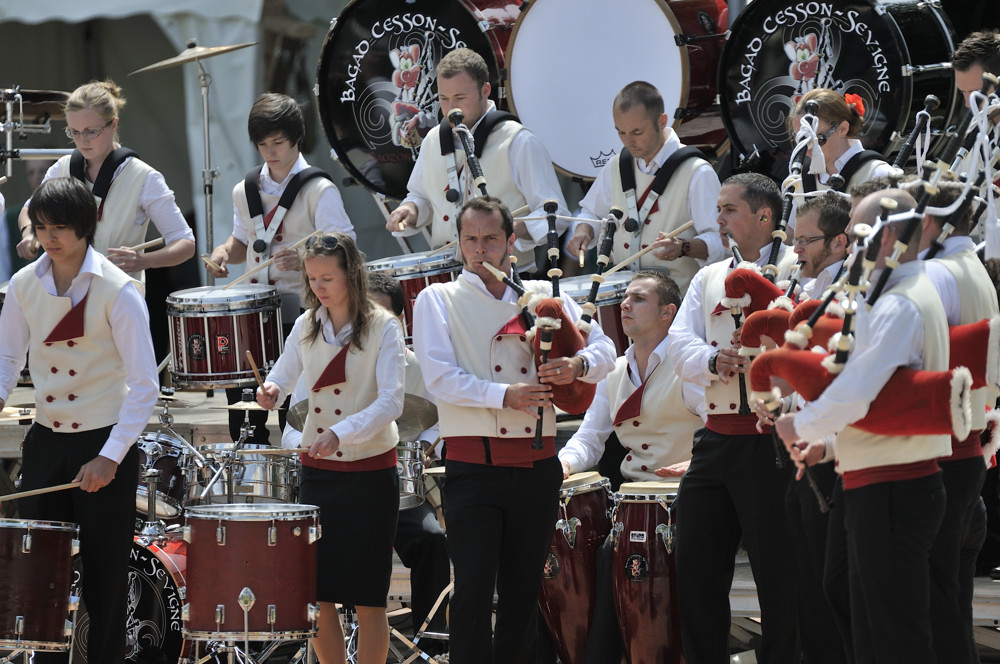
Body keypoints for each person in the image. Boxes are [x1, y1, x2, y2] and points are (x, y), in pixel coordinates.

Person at [411, 196, 615, 662]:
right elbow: (439, 377)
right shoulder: (437, 298)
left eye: (490, 239)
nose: (479, 249)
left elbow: (605, 349)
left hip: (537, 465)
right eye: (470, 239)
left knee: (524, 593)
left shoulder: (544, 293)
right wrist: (505, 396)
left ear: (510, 243)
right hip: (473, 468)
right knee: (473, 590)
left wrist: (576, 365)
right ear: (458, 243)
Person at [776, 189, 951, 663]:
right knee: (870, 623)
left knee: (894, 635)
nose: (851, 247)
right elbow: (882, 398)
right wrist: (828, 444)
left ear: (888, 235)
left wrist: (802, 425)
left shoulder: (901, 302)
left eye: (858, 235)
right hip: (880, 479)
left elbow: (858, 389)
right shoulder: (897, 296)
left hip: (895, 485)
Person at [0, 177, 159, 663]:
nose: (49, 238)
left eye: (60, 227)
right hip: (46, 442)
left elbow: (145, 385)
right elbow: (7, 360)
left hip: (103, 442)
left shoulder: (119, 289)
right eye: (42, 227)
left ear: (85, 227)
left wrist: (110, 457)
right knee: (39, 573)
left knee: (106, 578)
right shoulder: (23, 284)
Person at [666, 172, 800, 663]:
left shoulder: (797, 267)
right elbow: (677, 342)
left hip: (772, 442)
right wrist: (712, 359)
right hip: (715, 438)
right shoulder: (708, 276)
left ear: (764, 215)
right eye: (718, 209)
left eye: (729, 210)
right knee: (696, 567)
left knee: (779, 574)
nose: (718, 220)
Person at [281, 271, 452, 657]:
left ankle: (433, 644)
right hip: (330, 479)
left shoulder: (418, 366)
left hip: (393, 484)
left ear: (399, 322)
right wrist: (310, 448)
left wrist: (424, 447)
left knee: (431, 540)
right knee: (318, 584)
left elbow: (440, 420)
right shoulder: (320, 353)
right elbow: (294, 424)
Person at [257, 231, 404, 664]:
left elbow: (392, 402)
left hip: (371, 474)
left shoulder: (384, 326)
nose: (318, 287)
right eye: (312, 279)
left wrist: (342, 433)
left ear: (351, 273)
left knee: (369, 598)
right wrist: (271, 391)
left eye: (327, 278)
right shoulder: (305, 324)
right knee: (318, 594)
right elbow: (283, 376)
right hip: (319, 474)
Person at [557, 269, 703, 663]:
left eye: (638, 298)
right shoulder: (613, 372)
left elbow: (719, 428)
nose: (624, 304)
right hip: (632, 505)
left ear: (667, 312)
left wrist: (695, 464)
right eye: (625, 297)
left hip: (689, 499)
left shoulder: (689, 365)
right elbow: (589, 437)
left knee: (611, 554)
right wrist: (562, 464)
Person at [209, 92, 356, 444]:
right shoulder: (244, 190)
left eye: (277, 142)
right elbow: (242, 240)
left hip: (302, 310)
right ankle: (250, 470)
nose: (270, 151)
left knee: (296, 409)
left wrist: (305, 259)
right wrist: (224, 252)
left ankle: (295, 469)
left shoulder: (319, 189)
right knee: (245, 409)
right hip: (254, 313)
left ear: (297, 138)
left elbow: (347, 248)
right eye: (262, 144)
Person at [385, 48, 568, 275]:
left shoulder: (519, 141)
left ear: (485, 91)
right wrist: (410, 209)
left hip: (508, 278)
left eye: (460, 98)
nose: (451, 108)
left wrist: (510, 228)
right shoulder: (432, 140)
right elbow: (421, 197)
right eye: (444, 99)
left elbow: (556, 215)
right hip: (450, 280)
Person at [917, 181, 1000, 663]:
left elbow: (919, 359)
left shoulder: (936, 272)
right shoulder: (976, 269)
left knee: (937, 607)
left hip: (942, 455)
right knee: (950, 603)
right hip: (968, 451)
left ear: (930, 221)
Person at [16, 81, 195, 279]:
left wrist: (144, 261)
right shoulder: (62, 167)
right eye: (74, 132)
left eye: (91, 131)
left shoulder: (144, 177)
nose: (82, 140)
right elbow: (29, 209)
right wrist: (29, 233)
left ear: (113, 124)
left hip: (118, 292)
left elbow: (185, 242)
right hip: (66, 290)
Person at [564, 81, 723, 293]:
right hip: (628, 299)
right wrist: (583, 232)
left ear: (662, 121)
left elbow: (722, 240)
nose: (628, 141)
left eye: (637, 132)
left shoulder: (697, 172)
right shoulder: (616, 165)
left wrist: (684, 246)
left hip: (680, 300)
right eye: (621, 132)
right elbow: (591, 213)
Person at [788, 88, 894, 203]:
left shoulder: (878, 174)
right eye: (801, 140)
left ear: (843, 129)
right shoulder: (797, 179)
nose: (807, 149)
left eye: (818, 139)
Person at [793, 191, 851, 299]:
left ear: (838, 243)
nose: (796, 249)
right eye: (796, 240)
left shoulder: (852, 292)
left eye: (804, 240)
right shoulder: (814, 284)